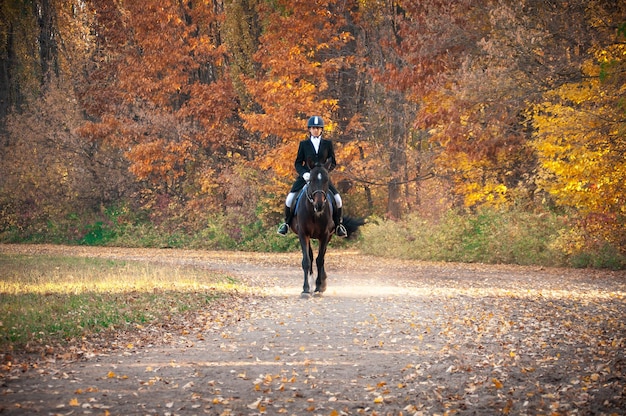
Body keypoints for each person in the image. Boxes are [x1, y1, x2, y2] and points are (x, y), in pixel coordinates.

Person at [277, 116, 348, 237]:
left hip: (321, 179)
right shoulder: (304, 144)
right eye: (313, 128)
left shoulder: (327, 144)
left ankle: (338, 226)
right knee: (289, 198)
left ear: (321, 130)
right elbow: (298, 162)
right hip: (306, 177)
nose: (316, 130)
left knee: (338, 200)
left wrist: (325, 172)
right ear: (309, 129)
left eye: (318, 128)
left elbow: (333, 162)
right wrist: (304, 173)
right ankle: (287, 224)